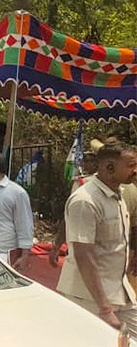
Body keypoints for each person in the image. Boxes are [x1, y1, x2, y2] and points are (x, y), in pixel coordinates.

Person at [57, 143, 137, 337]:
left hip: (119, 291)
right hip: (89, 297)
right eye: (131, 165)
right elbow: (84, 255)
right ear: (110, 167)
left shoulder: (118, 194)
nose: (135, 171)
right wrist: (104, 309)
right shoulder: (85, 201)